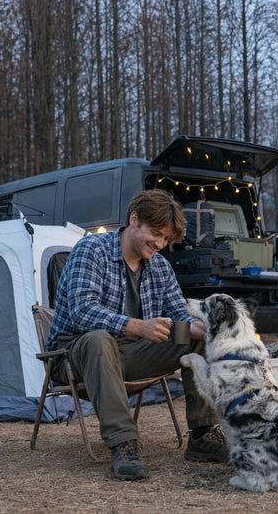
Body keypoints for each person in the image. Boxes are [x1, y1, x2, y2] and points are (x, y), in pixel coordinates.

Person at [46, 189, 227, 480]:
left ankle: (203, 435)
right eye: (156, 233)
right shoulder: (91, 249)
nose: (160, 243)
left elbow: (178, 318)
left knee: (199, 339)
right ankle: (124, 443)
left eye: (167, 239)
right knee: (99, 338)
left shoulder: (160, 267)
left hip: (132, 352)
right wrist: (138, 326)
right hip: (73, 354)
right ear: (134, 220)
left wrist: (202, 330)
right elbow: (82, 311)